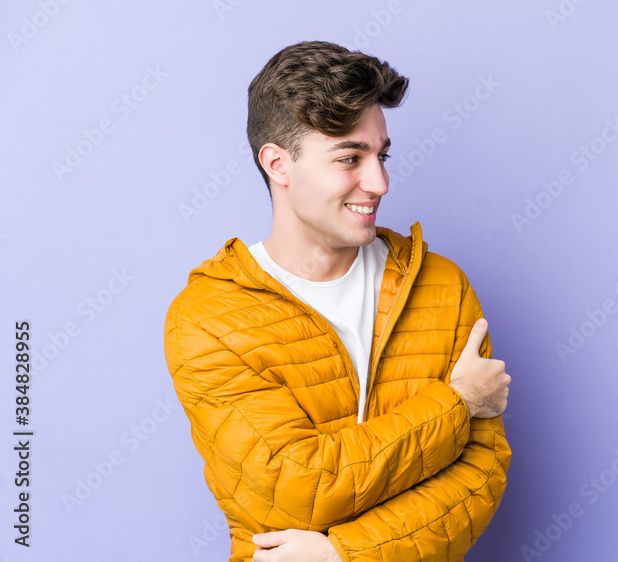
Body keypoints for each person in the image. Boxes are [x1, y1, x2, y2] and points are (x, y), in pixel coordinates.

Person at [163, 41, 512, 562]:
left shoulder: (441, 284)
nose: (380, 182)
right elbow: (297, 488)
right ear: (278, 164)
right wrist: (457, 403)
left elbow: (481, 471)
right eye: (350, 157)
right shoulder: (209, 317)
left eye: (381, 155)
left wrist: (343, 553)